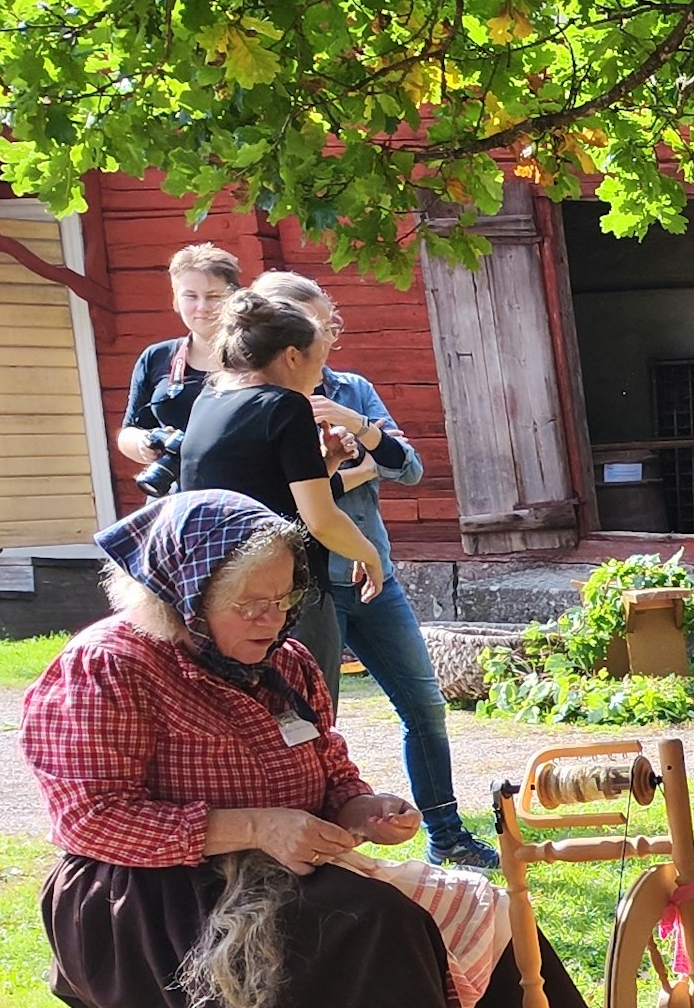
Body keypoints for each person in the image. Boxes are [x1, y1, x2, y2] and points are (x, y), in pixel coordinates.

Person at [19, 491, 602, 1008]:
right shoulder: (108, 669)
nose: (272, 619)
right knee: (364, 925)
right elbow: (90, 819)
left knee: (472, 900)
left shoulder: (286, 663)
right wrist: (255, 828)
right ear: (183, 596)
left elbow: (329, 775)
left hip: (272, 869)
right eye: (248, 604)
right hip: (141, 894)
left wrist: (362, 808)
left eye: (282, 598)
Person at [215, 270, 492, 866]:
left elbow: (407, 467)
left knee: (424, 705)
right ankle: (318, 845)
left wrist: (353, 429)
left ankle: (445, 834)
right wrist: (347, 471)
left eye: (330, 326)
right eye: (320, 328)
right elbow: (300, 502)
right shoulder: (271, 404)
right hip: (311, 584)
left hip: (373, 578)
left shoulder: (347, 387)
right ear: (287, 340)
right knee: (312, 723)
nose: (330, 338)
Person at [169, 286, 391, 680]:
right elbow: (319, 519)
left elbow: (264, 490)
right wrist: (370, 555)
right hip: (280, 591)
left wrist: (329, 461)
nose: (321, 374)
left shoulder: (211, 398)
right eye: (318, 361)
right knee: (306, 716)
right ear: (292, 356)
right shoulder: (285, 406)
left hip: (217, 590)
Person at [118, 242, 244, 496]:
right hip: (174, 497)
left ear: (233, 298)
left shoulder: (256, 355)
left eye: (213, 296)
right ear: (175, 300)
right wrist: (144, 444)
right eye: (190, 296)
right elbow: (129, 430)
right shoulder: (157, 357)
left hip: (242, 493)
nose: (202, 307)